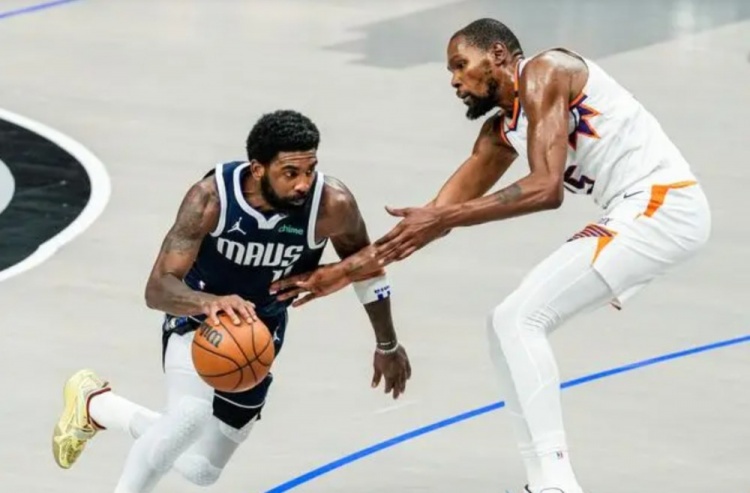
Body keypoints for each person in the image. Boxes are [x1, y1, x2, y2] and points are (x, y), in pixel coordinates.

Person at [269, 18, 711, 493]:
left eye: (460, 65)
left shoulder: (546, 70)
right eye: (451, 71)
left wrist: (443, 218)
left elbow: (545, 188)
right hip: (639, 213)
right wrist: (342, 272)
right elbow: (430, 221)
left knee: (519, 320)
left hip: (662, 204)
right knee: (506, 325)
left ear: (498, 54)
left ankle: (556, 485)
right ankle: (543, 480)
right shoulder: (500, 132)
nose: (454, 80)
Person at [51, 109, 412, 492]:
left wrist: (387, 344)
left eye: (310, 170)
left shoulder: (331, 205)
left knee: (202, 470)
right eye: (291, 173)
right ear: (258, 169)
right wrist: (207, 303)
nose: (304, 184)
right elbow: (157, 289)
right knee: (188, 416)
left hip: (260, 336)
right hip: (197, 322)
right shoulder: (210, 199)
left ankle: (97, 405)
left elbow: (366, 267)